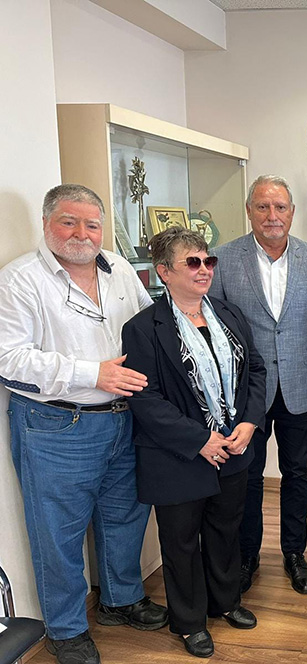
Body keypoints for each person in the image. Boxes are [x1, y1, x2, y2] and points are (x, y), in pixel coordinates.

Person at [0, 184, 167, 664]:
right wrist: (92, 374)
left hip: (125, 419)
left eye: (92, 224)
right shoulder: (20, 280)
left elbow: (147, 325)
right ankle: (66, 629)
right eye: (69, 222)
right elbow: (9, 360)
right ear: (46, 223)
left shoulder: (118, 268)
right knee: (58, 532)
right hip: (57, 426)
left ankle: (120, 600)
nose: (82, 233)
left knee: (125, 516)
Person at [122, 227, 266, 658]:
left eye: (208, 261)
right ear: (164, 272)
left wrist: (250, 422)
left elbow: (256, 371)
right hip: (178, 456)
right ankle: (189, 622)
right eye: (192, 262)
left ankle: (225, 602)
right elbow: (145, 398)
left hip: (234, 449)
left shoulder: (230, 314)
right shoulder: (143, 328)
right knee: (181, 542)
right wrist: (200, 439)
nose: (204, 270)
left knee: (225, 531)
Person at [209, 175, 307, 596]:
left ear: (292, 213)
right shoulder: (224, 259)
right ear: (249, 211)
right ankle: (248, 556)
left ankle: (294, 553)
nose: (272, 215)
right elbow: (216, 328)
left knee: (297, 473)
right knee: (248, 475)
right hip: (247, 392)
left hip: (303, 385)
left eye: (280, 207)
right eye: (262, 206)